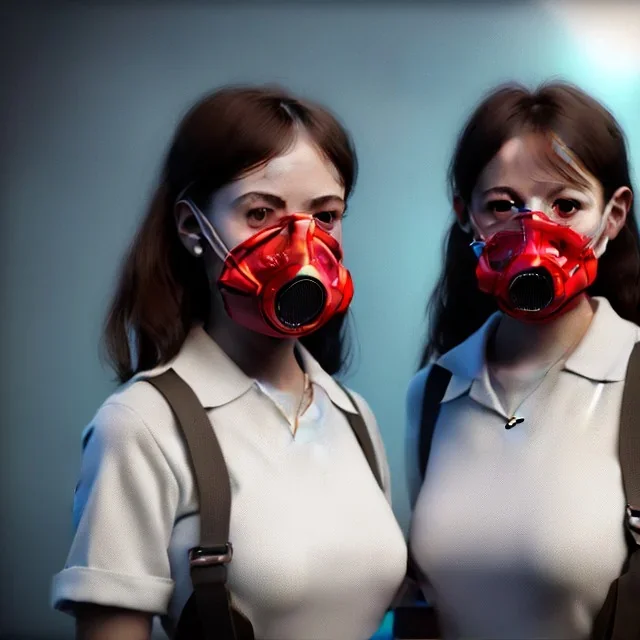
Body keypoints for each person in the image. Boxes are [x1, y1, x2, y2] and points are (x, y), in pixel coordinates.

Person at [51, 85, 407, 640]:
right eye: (261, 213)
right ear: (193, 226)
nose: (301, 248)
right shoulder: (141, 425)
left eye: (326, 215)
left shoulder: (353, 416)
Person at [406, 81, 639, 639]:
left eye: (566, 205)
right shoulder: (435, 391)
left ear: (612, 216)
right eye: (503, 206)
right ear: (467, 217)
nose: (534, 232)